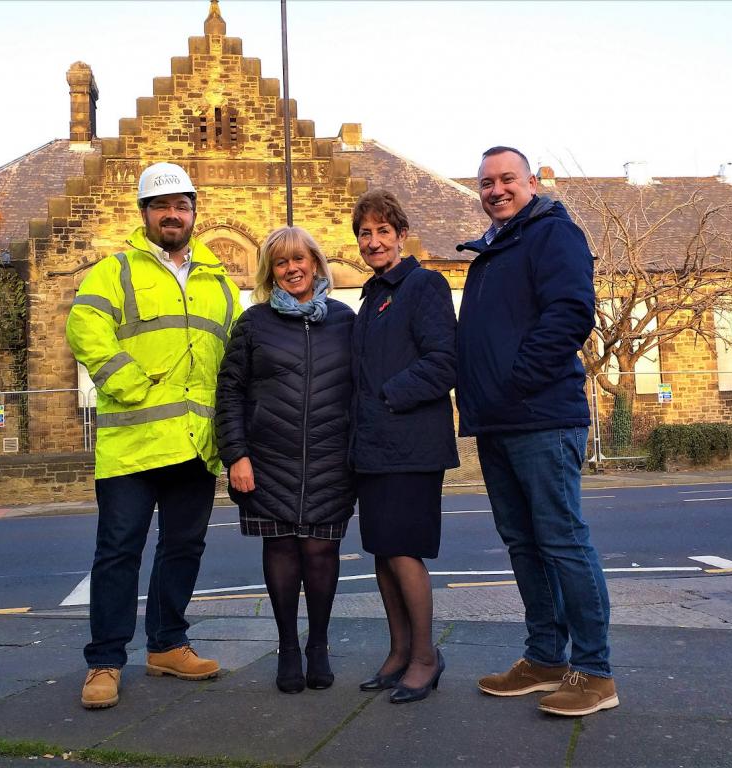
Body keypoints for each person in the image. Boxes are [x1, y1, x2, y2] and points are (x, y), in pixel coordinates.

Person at [66, 161, 241, 709]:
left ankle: (167, 645)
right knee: (118, 551)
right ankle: (104, 662)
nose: (173, 214)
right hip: (133, 444)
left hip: (195, 442)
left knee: (184, 547)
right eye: (162, 206)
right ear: (144, 214)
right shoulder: (115, 270)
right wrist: (130, 382)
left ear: (194, 212)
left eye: (182, 205)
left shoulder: (219, 283)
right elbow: (84, 326)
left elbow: (236, 355)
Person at [456, 146, 618, 717]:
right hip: (499, 422)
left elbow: (571, 314)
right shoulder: (495, 249)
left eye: (506, 179)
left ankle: (594, 672)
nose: (495, 189)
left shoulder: (554, 235)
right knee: (523, 544)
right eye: (485, 182)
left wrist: (515, 382)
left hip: (542, 417)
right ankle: (545, 657)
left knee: (562, 540)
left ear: (530, 182)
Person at [215, 226, 355, 693]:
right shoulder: (253, 322)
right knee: (280, 551)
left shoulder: (344, 319)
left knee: (320, 551)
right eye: (281, 262)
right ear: (269, 272)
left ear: (316, 263)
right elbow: (230, 392)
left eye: (300, 259)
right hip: (267, 459)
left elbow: (361, 390)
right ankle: (288, 647)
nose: (292, 268)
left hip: (332, 458)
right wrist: (235, 454)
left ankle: (318, 645)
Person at [349, 189, 458, 704]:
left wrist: (387, 398)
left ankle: (425, 657)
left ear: (399, 234)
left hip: (410, 444)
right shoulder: (371, 297)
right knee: (381, 551)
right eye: (365, 234)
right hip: (371, 446)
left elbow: (443, 362)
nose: (373, 242)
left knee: (403, 550)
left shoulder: (423, 284)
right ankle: (398, 652)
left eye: (382, 232)